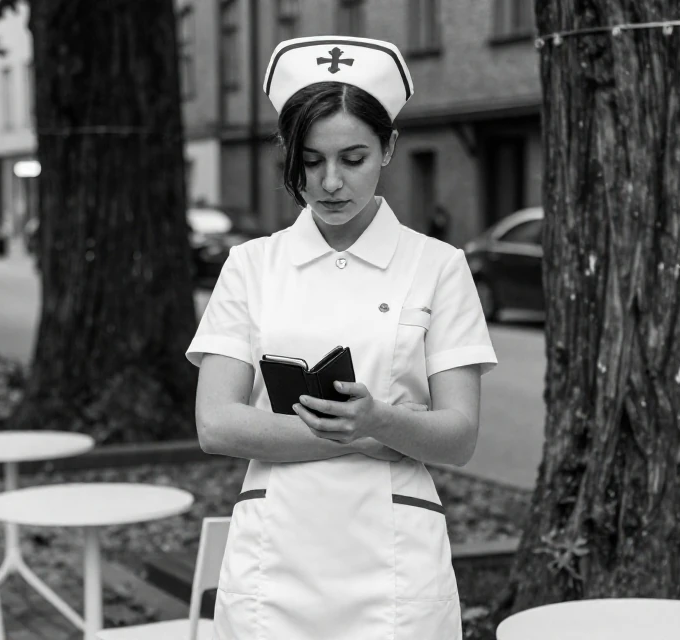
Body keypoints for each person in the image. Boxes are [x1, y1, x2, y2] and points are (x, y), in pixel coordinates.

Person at [186, 35, 497, 639]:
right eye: (310, 160)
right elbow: (216, 425)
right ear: (288, 154)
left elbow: (458, 437)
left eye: (352, 158)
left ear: (389, 149)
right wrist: (378, 435)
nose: (330, 182)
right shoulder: (251, 265)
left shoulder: (438, 266)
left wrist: (377, 419)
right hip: (274, 559)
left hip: (393, 561)